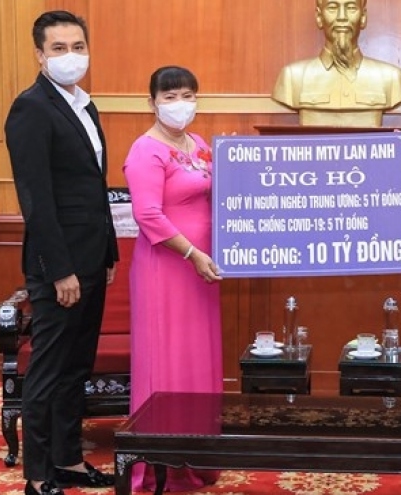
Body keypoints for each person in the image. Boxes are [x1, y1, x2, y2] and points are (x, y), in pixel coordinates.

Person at [4, 10, 118, 495]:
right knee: (48, 373)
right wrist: (60, 270)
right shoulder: (31, 108)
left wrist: (108, 254)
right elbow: (37, 200)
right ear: (39, 54)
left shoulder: (85, 106)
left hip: (93, 258)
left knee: (76, 368)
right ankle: (37, 475)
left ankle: (68, 461)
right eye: (59, 48)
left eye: (78, 46)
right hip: (60, 267)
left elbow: (93, 189)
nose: (71, 56)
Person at [123, 65, 224, 492]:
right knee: (166, 359)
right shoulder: (145, 151)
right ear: (152, 103)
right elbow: (148, 215)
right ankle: (158, 462)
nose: (180, 104)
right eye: (170, 97)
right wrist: (192, 254)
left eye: (187, 95)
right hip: (167, 267)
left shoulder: (199, 144)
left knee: (197, 357)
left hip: (202, 270)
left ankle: (195, 454)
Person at [271, 0, 401, 127]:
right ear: (319, 17)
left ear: (363, 16)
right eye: (332, 7)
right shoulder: (292, 77)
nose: (342, 17)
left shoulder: (391, 78)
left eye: (351, 8)